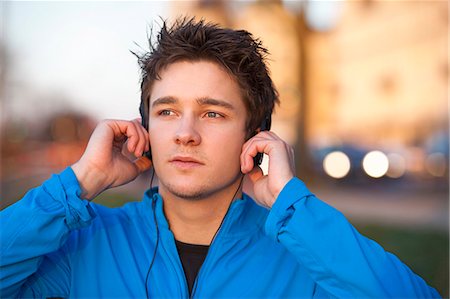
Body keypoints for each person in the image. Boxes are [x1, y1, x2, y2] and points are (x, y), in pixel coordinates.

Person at [0, 18, 440, 298]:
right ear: (146, 127)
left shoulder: (307, 255)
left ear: (255, 136)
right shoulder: (85, 244)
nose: (186, 134)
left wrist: (293, 208)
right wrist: (81, 180)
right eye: (167, 111)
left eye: (213, 113)